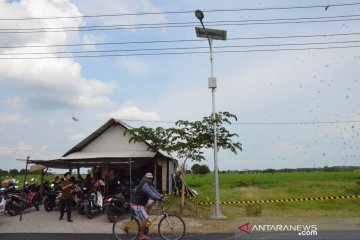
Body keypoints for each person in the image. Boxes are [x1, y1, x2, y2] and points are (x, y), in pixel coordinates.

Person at [131, 173, 165, 240]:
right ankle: (142, 235)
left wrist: (161, 196)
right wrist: (160, 199)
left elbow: (154, 191)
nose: (150, 180)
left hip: (142, 202)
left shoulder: (149, 184)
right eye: (148, 178)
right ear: (145, 178)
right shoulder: (144, 185)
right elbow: (152, 194)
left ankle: (145, 215)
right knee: (145, 219)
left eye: (151, 178)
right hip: (137, 204)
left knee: (152, 201)